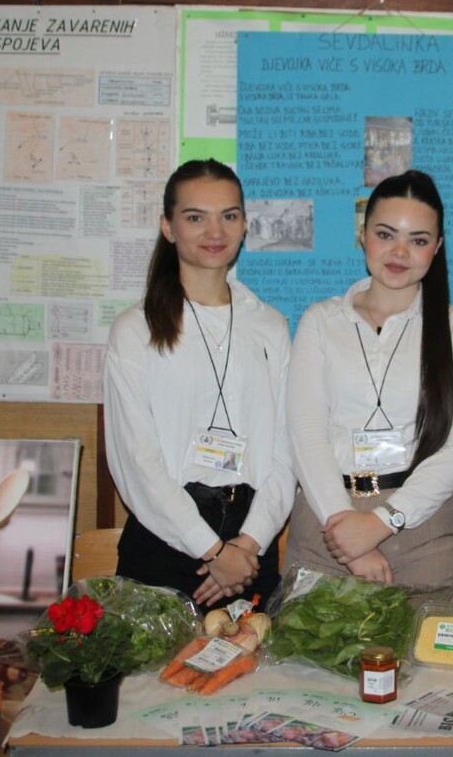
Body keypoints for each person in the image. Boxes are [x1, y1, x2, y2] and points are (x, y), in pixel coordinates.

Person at [284, 170, 453, 601]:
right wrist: (346, 531)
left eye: (418, 240)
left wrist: (383, 521)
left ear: (437, 247)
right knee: (313, 646)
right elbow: (306, 433)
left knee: (426, 647)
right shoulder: (321, 322)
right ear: (363, 235)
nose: (399, 252)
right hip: (327, 524)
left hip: (425, 526)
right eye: (385, 234)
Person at [103, 158, 294, 609]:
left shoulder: (269, 326)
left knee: (248, 656)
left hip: (252, 541)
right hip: (166, 537)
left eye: (229, 216)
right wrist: (212, 551)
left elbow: (286, 450)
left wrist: (247, 546)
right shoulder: (136, 329)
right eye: (195, 217)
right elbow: (135, 459)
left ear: (244, 225)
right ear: (167, 227)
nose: (215, 231)